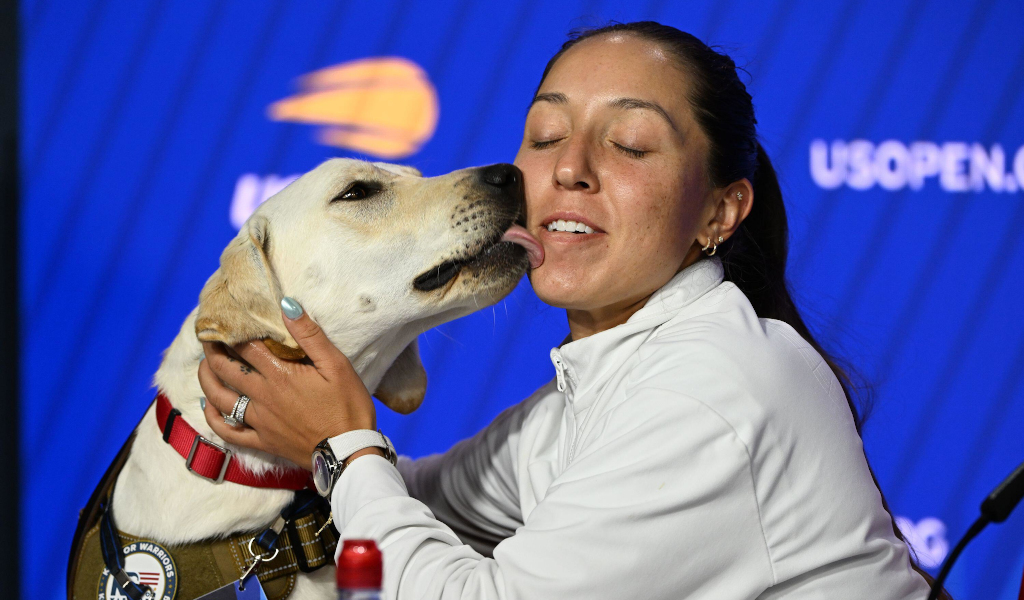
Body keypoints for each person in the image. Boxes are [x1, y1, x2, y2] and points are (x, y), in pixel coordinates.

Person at [198, 21, 939, 599]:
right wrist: (302, 439)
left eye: (629, 144)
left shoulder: (712, 387)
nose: (569, 169)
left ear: (720, 211)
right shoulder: (597, 385)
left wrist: (342, 446)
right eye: (546, 136)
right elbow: (416, 498)